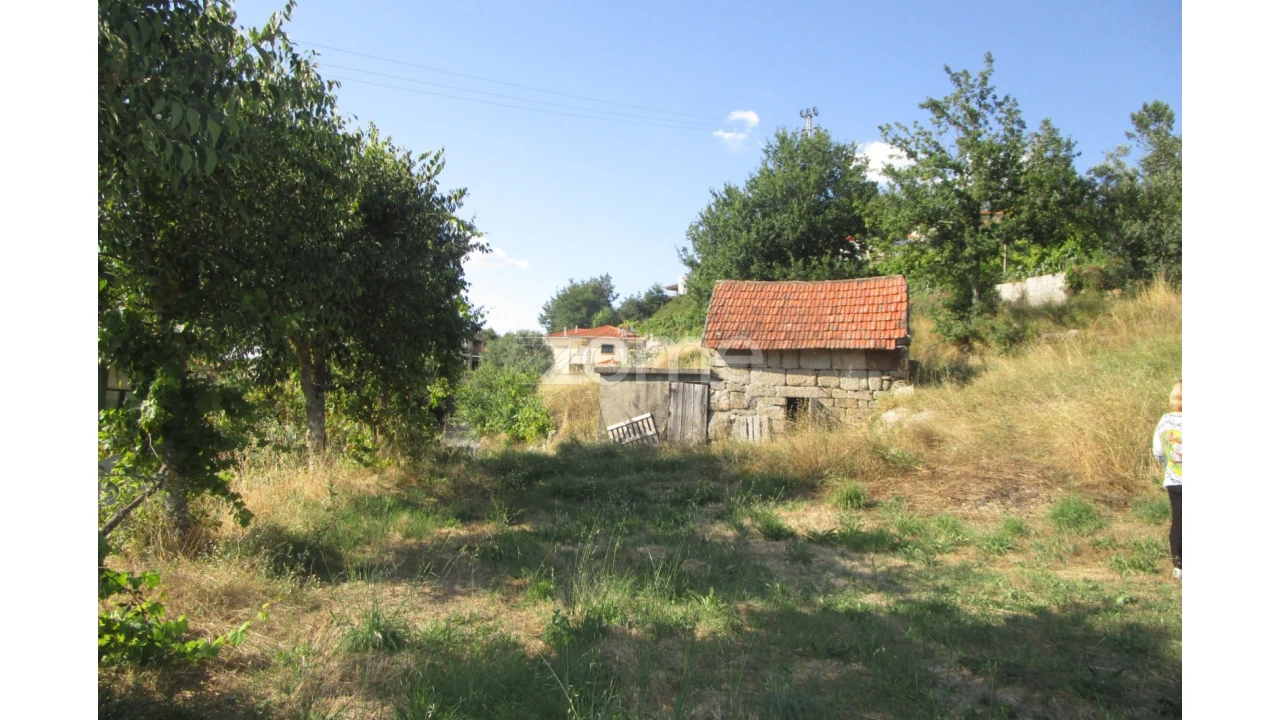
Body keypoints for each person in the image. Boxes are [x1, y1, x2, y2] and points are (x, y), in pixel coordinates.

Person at [1152, 379, 1182, 580]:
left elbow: (1158, 451)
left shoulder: (1164, 420)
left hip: (1174, 479)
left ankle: (1179, 565)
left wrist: (1170, 467)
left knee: (1179, 520)